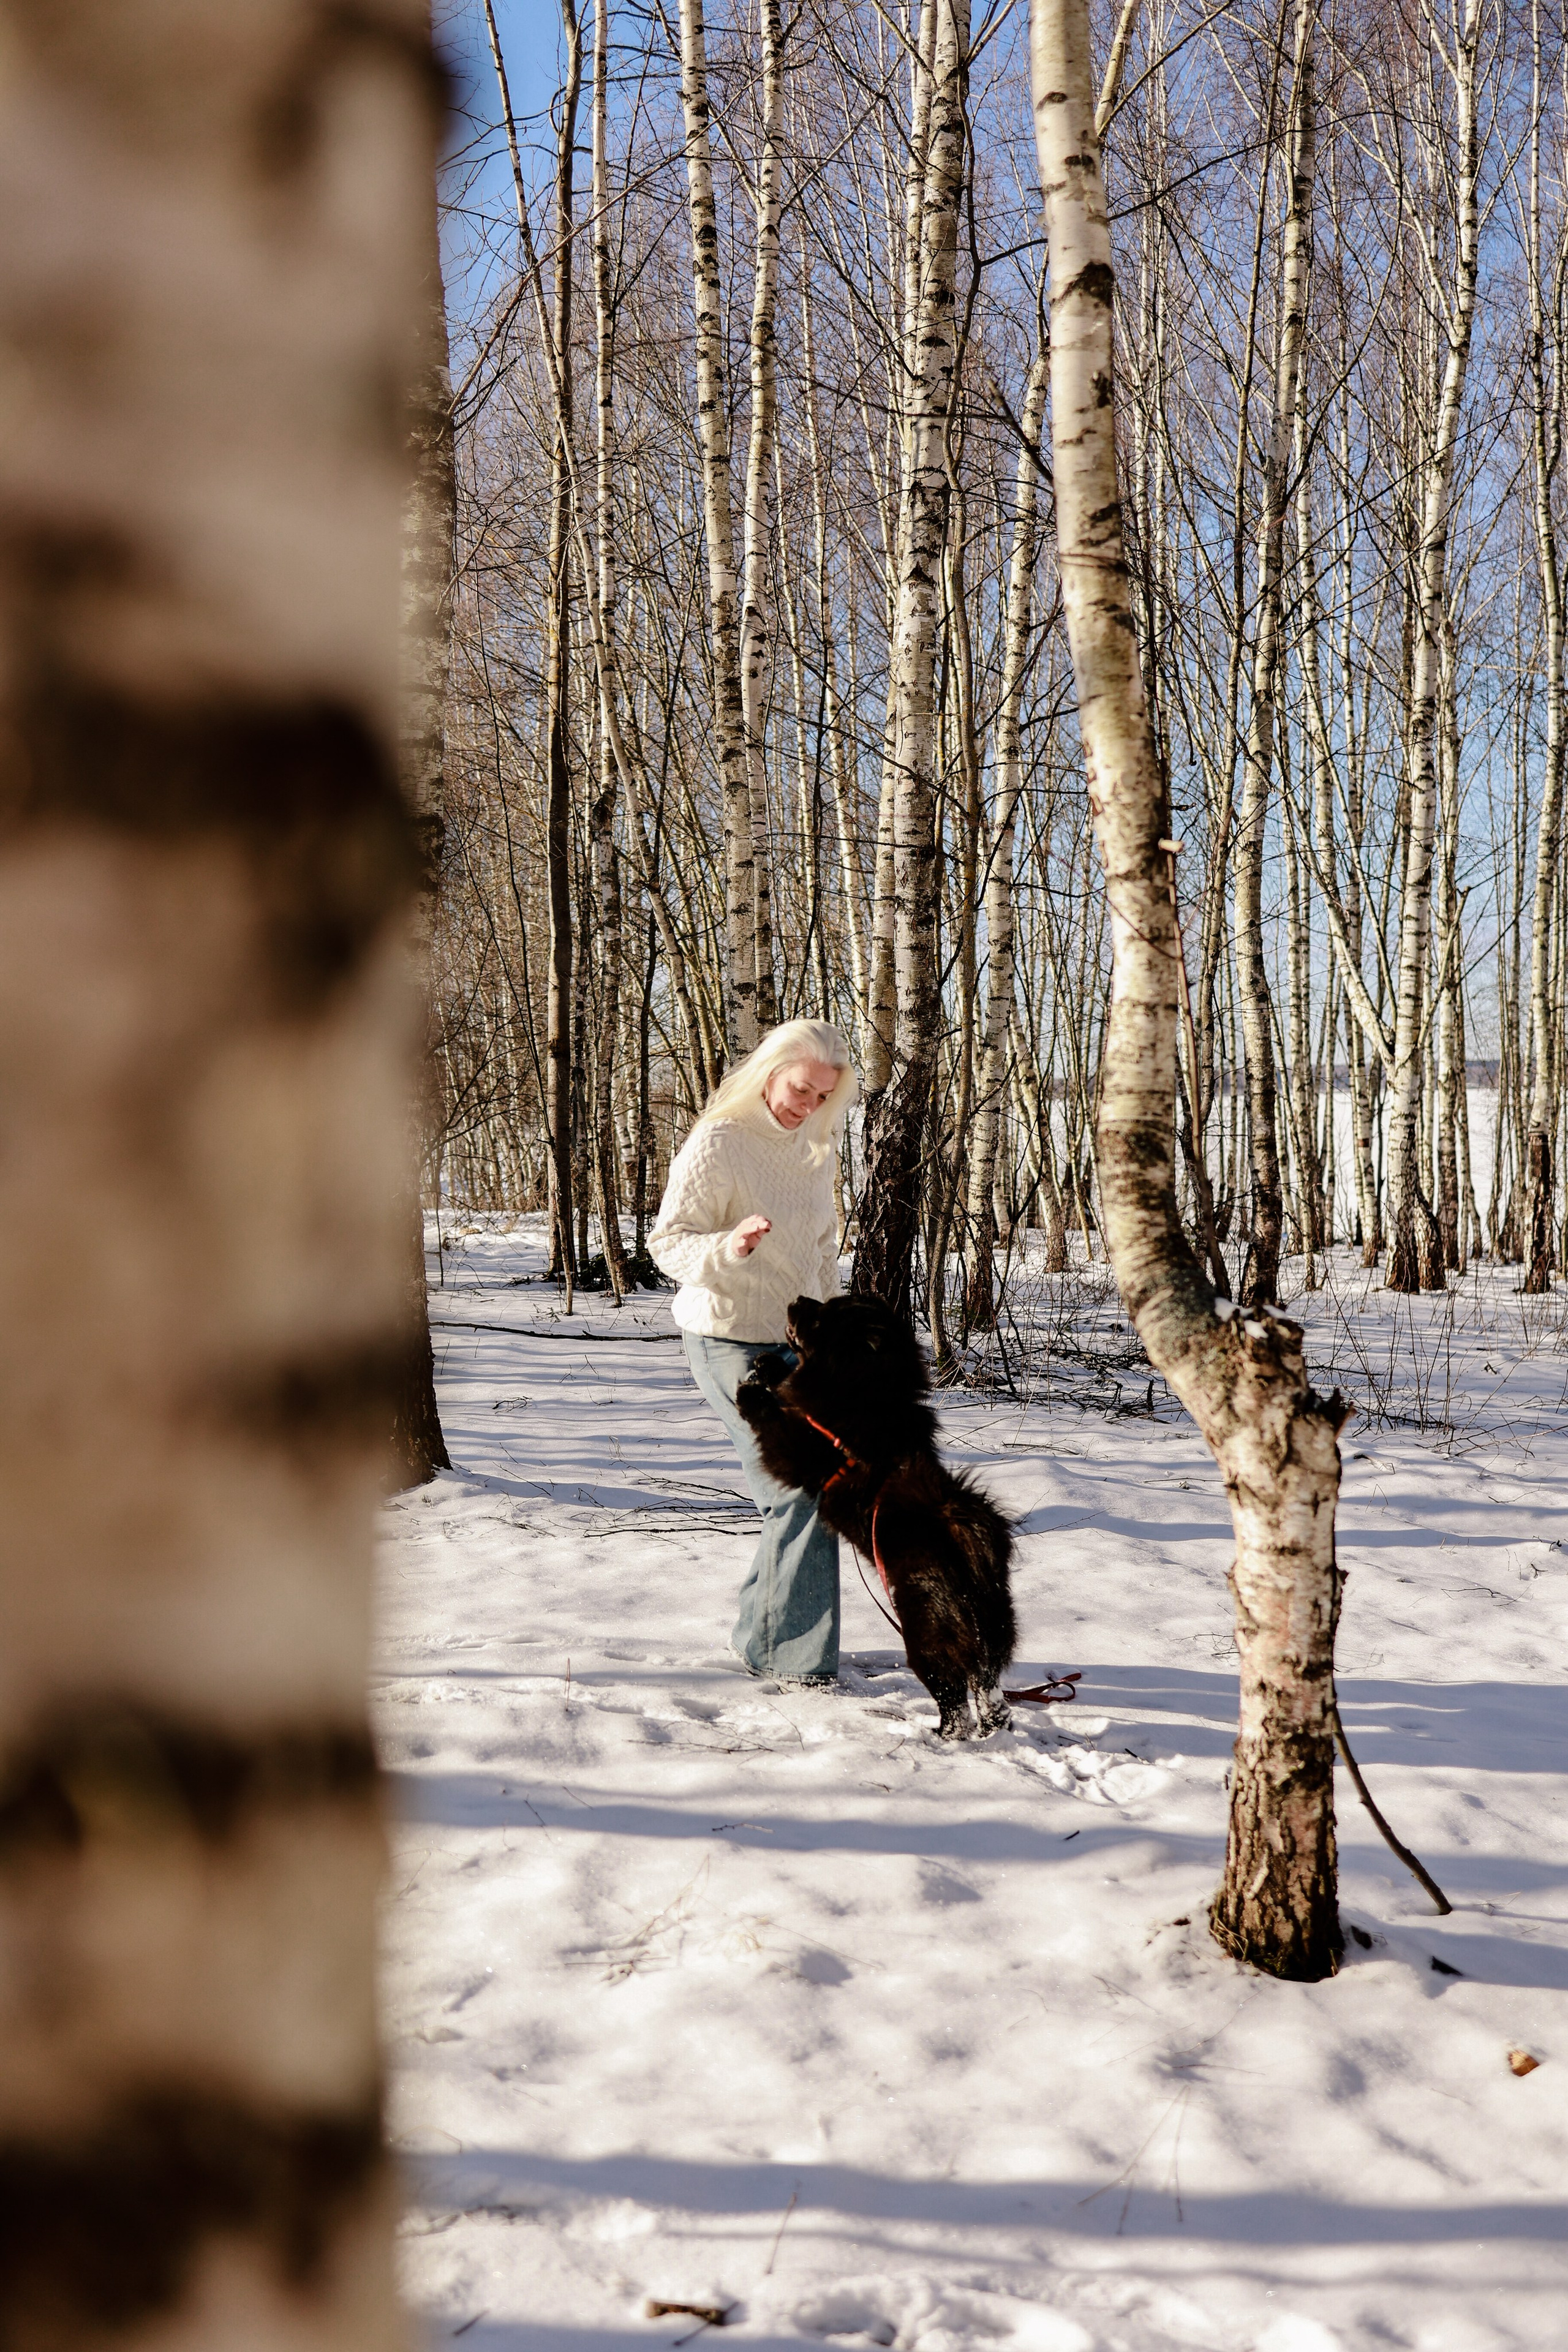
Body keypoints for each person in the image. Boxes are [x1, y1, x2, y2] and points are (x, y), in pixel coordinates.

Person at [649, 1019, 857, 1685]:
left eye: (824, 1096)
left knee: (815, 1487)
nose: (809, 1105)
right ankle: (793, 1663)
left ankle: (763, 1635)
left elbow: (820, 1250)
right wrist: (728, 1248)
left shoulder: (813, 1148)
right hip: (728, 1338)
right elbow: (668, 1243)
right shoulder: (720, 1141)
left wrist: (830, 1335)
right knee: (797, 1488)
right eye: (802, 1090)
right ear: (770, 1072)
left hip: (797, 1341)